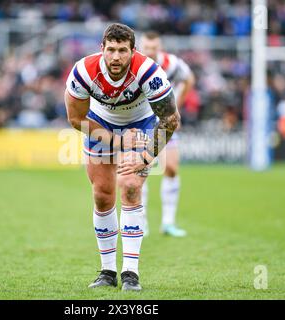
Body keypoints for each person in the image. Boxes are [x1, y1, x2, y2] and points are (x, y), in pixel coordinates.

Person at [65, 23, 180, 291]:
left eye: (123, 51)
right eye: (112, 50)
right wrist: (117, 140)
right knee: (102, 195)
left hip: (139, 125)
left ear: (133, 51)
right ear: (101, 49)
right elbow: (75, 118)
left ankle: (131, 273)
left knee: (130, 187)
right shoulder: (83, 72)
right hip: (99, 124)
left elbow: (171, 118)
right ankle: (107, 271)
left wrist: (147, 156)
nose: (116, 57)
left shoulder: (149, 72)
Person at [139, 31, 196, 238]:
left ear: (159, 47)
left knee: (171, 167)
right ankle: (141, 223)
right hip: (142, 123)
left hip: (164, 122)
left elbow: (189, 79)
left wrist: (175, 109)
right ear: (141, 47)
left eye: (154, 48)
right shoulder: (135, 64)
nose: (151, 51)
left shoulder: (171, 64)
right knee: (141, 170)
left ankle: (168, 223)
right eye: (147, 47)